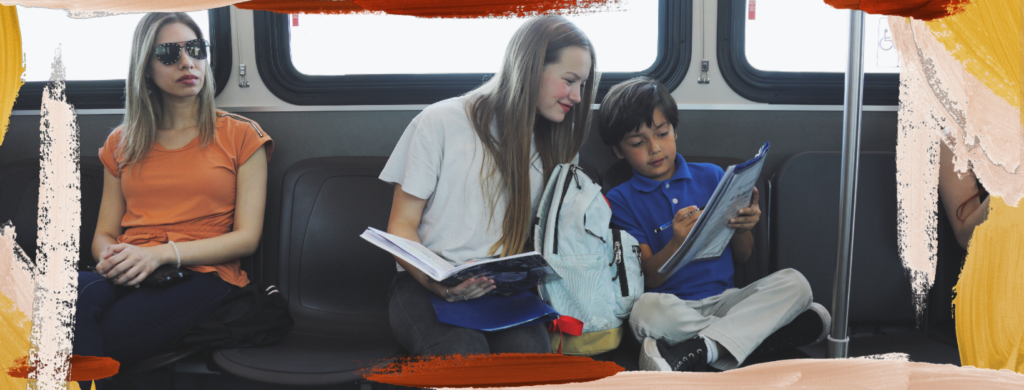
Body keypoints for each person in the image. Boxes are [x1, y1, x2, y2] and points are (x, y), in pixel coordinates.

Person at [74, 12, 272, 389]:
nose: (187, 62)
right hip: (129, 266)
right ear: (145, 68)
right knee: (59, 302)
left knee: (83, 341)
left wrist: (163, 254)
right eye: (168, 53)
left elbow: (247, 238)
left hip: (203, 273)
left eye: (195, 50)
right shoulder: (121, 143)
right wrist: (114, 257)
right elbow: (104, 233)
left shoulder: (242, 136)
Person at [379, 15, 597, 356]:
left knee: (527, 360)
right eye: (570, 81)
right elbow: (401, 226)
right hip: (424, 285)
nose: (578, 97)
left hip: (505, 290)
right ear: (530, 68)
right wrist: (438, 284)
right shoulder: (440, 122)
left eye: (582, 84)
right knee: (462, 354)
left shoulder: (560, 142)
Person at [598, 77, 829, 372]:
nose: (654, 148)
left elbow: (743, 256)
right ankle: (750, 336)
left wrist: (743, 227)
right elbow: (650, 279)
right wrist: (676, 242)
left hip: (728, 301)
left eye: (662, 133)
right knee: (645, 313)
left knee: (796, 283)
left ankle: (700, 348)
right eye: (637, 143)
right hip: (674, 307)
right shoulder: (620, 199)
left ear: (675, 131)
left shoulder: (712, 176)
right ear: (619, 151)